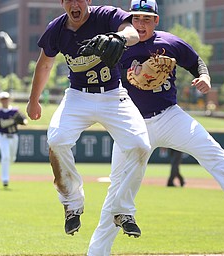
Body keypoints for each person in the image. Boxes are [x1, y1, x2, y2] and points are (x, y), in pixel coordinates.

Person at [87, 0, 224, 255]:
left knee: (210, 148)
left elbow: (196, 62)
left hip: (168, 116)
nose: (140, 24)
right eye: (136, 18)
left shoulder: (170, 43)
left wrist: (205, 77)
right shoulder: (119, 45)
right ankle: (97, 252)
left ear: (156, 21)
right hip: (131, 123)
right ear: (130, 19)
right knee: (117, 192)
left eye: (147, 19)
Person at [26, 0, 151, 237]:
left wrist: (120, 38)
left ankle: (123, 210)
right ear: (62, 3)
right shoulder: (57, 28)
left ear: (88, 1)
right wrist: (34, 99)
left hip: (112, 94)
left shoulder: (105, 15)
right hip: (78, 96)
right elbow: (44, 64)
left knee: (140, 145)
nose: (75, 3)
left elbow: (132, 32)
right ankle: (72, 204)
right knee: (57, 140)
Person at [0, 91, 28, 188]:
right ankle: (5, 180)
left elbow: (25, 121)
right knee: (5, 157)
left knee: (11, 158)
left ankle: (11, 160)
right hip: (3, 137)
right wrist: (12, 121)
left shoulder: (15, 111)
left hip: (13, 137)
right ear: (0, 101)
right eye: (3, 99)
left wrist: (22, 121)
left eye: (6, 99)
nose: (4, 101)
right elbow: (1, 124)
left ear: (9, 99)